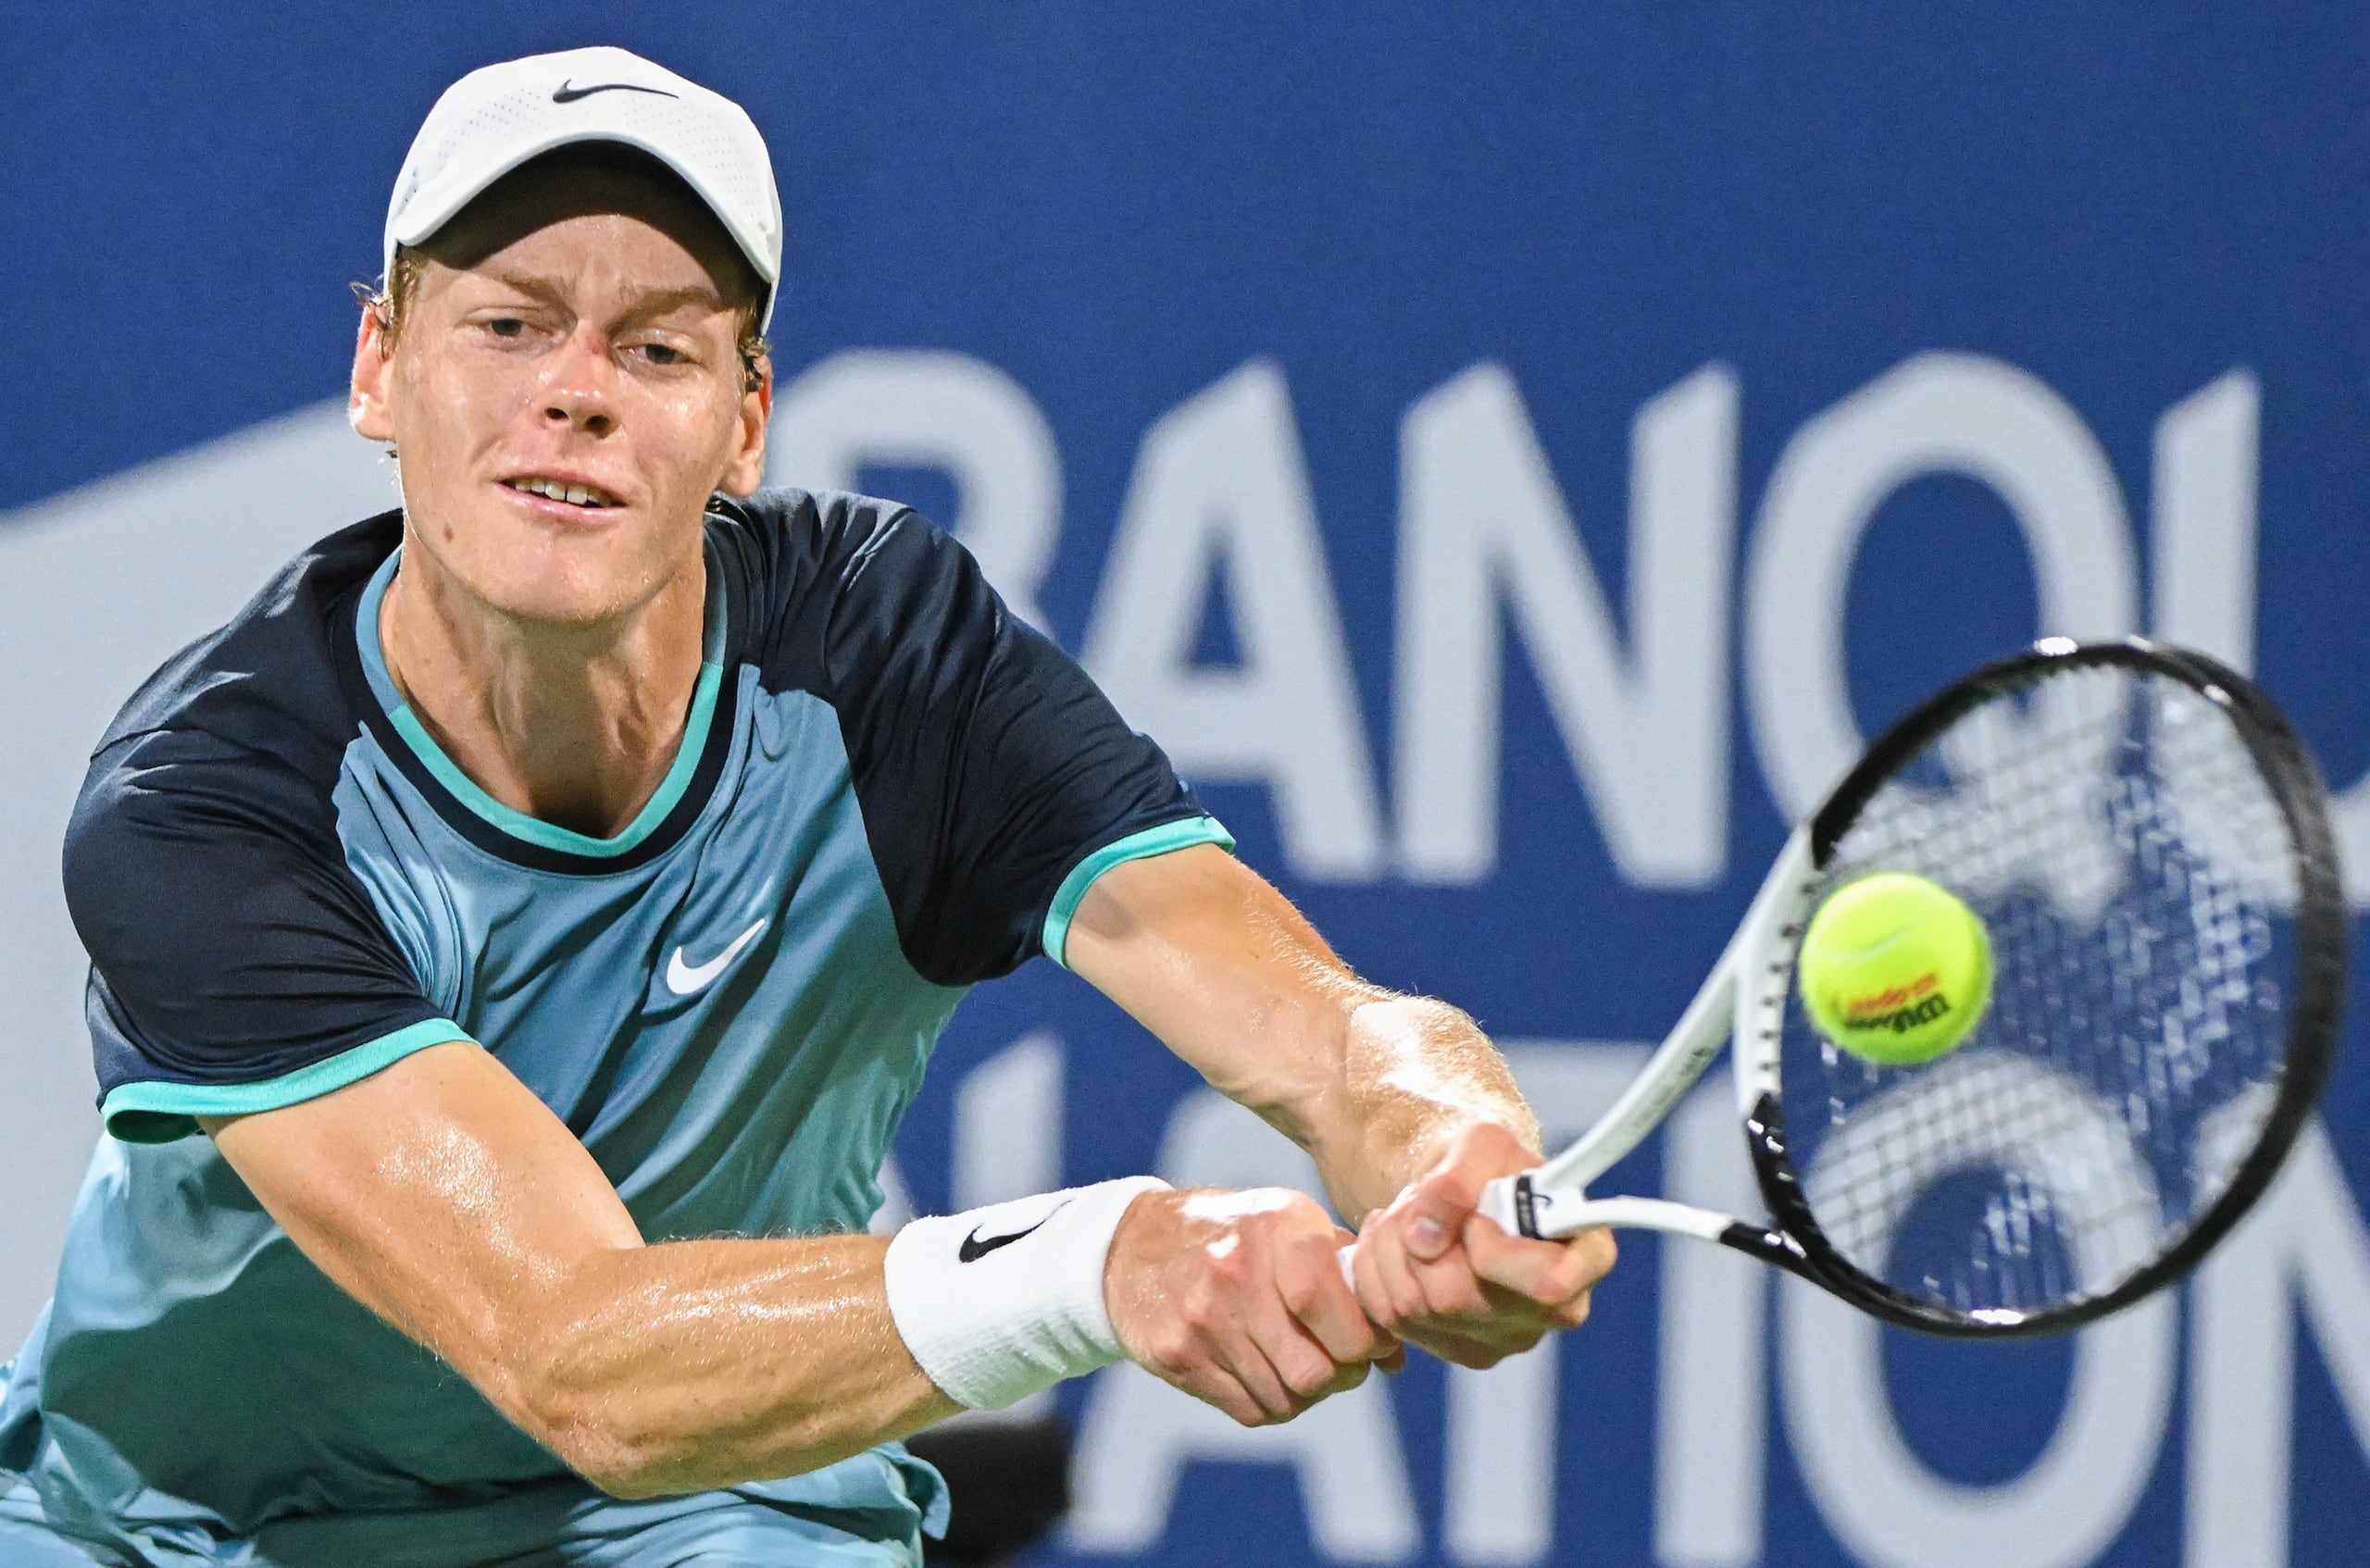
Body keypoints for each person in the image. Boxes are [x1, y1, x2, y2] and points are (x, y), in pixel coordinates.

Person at [0, 45, 1615, 1567]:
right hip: (180, 1527)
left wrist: (1448, 1145)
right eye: (508, 324)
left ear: (744, 420)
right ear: (380, 367)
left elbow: (1326, 1032)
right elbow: (576, 1350)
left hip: (705, 1510)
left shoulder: (890, 663)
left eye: (656, 346)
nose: (576, 392)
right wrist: (1097, 1263)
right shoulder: (208, 807)